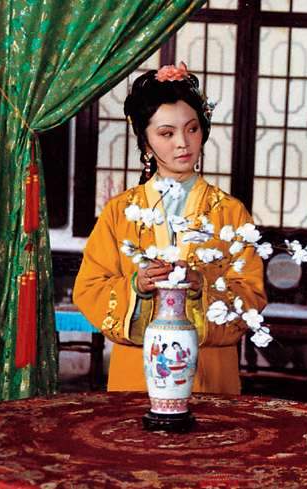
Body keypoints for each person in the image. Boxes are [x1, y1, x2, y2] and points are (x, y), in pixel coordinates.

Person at [74, 62, 266, 395]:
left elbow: (252, 292)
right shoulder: (120, 212)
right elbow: (90, 288)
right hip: (137, 373)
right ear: (146, 144)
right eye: (167, 133)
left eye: (192, 129)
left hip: (209, 373)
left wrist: (201, 286)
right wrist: (137, 286)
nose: (183, 143)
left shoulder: (230, 212)